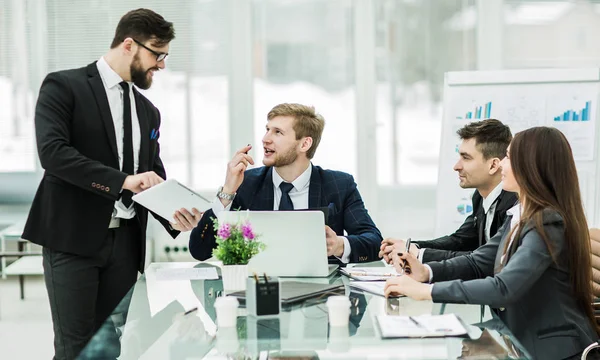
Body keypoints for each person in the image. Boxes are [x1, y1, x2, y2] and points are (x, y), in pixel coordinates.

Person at [21, 9, 201, 359]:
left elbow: (151, 174)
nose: (161, 64)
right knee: (76, 347)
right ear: (129, 44)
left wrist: (173, 214)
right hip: (72, 239)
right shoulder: (64, 86)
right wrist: (123, 181)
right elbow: (53, 154)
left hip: (125, 244)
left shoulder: (149, 111)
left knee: (111, 345)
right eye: (157, 53)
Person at [384, 126, 600, 360]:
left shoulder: (546, 223)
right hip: (522, 342)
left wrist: (426, 291)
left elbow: (504, 288)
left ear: (530, 167)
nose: (502, 164)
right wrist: (425, 271)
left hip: (557, 352)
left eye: (508, 157)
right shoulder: (519, 216)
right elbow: (478, 262)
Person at [189, 103, 382, 264]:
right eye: (267, 130)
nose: (265, 139)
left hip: (321, 298)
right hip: (260, 294)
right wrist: (228, 191)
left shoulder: (339, 185)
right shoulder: (246, 183)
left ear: (304, 144)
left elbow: (374, 242)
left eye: (278, 132)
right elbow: (200, 250)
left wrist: (340, 245)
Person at [380, 119, 517, 263]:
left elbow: (488, 260)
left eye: (466, 158)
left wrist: (419, 254)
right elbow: (460, 241)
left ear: (493, 165)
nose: (456, 166)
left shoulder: (515, 204)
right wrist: (409, 247)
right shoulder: (480, 197)